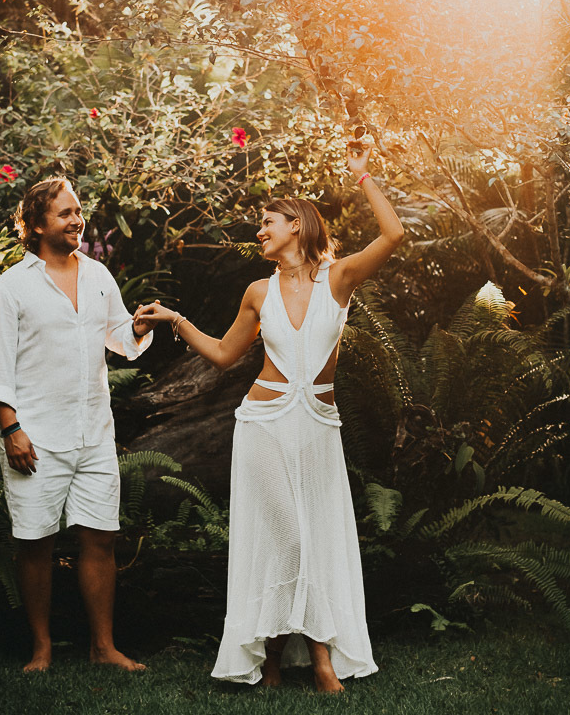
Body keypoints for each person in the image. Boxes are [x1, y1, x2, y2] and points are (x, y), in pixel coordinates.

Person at [136, 142, 404, 692]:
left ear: (297, 226)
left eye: (267, 222)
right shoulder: (258, 292)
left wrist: (364, 177)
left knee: (314, 536)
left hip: (318, 429)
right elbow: (223, 355)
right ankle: (318, 662)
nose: (259, 230)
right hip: (263, 426)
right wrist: (176, 319)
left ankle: (278, 662)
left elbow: (394, 235)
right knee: (283, 536)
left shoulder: (340, 279)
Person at [0, 177, 152, 673]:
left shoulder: (99, 275)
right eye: (65, 213)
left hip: (94, 433)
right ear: (35, 225)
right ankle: (42, 648)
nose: (77, 220)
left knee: (100, 538)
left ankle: (103, 647)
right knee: (34, 543)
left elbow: (119, 337)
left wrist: (137, 326)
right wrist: (11, 430)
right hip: (34, 438)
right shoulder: (11, 288)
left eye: (78, 211)